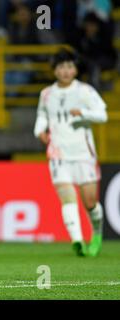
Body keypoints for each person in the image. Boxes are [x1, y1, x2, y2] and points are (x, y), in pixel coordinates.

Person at [34, 48, 108, 257]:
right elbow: (42, 115)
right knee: (68, 199)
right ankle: (77, 240)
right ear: (54, 71)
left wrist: (83, 113)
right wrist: (40, 131)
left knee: (90, 203)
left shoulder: (85, 91)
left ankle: (96, 233)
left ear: (75, 70)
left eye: (69, 66)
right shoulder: (46, 94)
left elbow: (102, 115)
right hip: (59, 155)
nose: (65, 71)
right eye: (61, 67)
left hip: (83, 154)